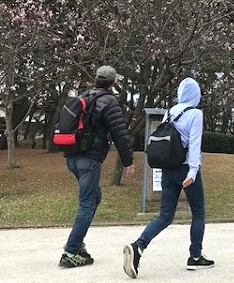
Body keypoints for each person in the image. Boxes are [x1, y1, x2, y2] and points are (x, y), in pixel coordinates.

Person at [123, 77, 213, 279]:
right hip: (185, 170)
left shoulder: (170, 112)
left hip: (167, 169)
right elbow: (195, 144)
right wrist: (192, 172)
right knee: (198, 212)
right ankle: (195, 257)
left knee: (164, 216)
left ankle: (138, 246)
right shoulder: (195, 114)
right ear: (196, 95)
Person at [59, 65, 135, 268]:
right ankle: (71, 251)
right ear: (112, 83)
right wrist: (129, 162)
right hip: (89, 161)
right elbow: (120, 133)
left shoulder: (84, 96)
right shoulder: (109, 101)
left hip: (72, 158)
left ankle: (77, 243)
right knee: (87, 204)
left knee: (95, 197)